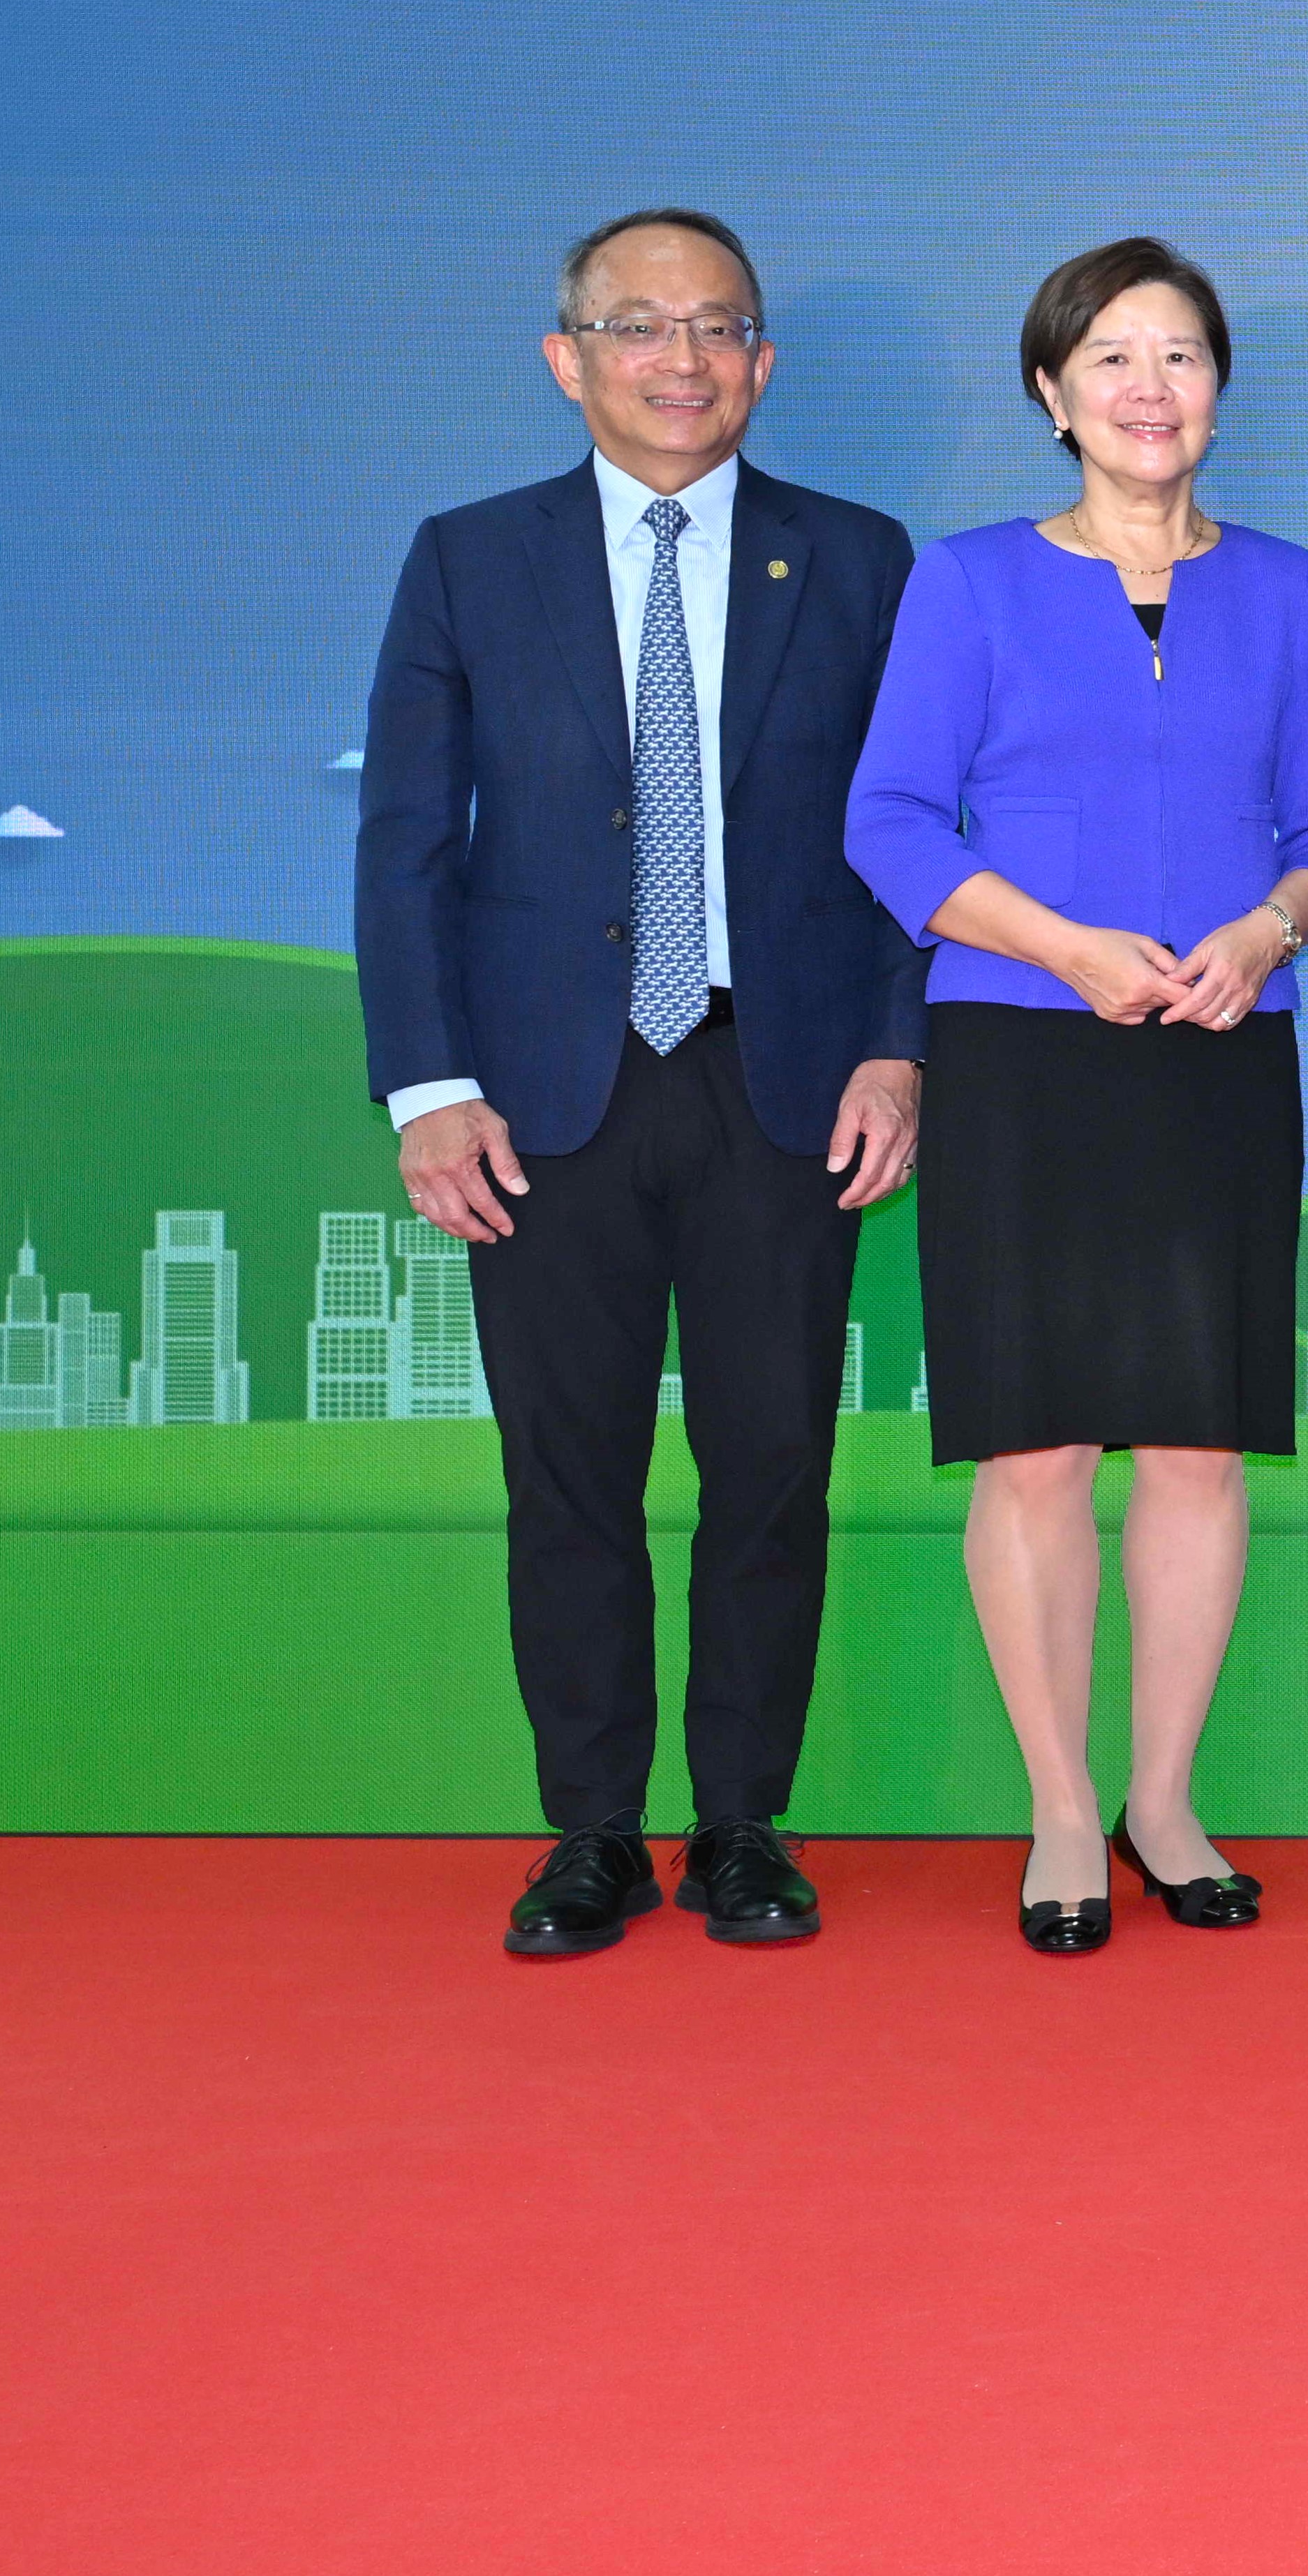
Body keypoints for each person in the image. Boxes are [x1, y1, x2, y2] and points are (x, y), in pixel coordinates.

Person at [357, 208, 926, 1958]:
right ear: (569, 358)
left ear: (762, 359)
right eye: (637, 326)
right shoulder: (468, 559)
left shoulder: (860, 556)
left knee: (774, 1470)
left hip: (786, 1080)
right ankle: (592, 1832)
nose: (680, 360)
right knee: (571, 1479)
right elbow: (404, 844)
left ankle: (746, 1827)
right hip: (540, 1096)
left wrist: (902, 1046)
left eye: (718, 327)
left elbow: (919, 832)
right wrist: (424, 1085)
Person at [845, 238, 1308, 1952]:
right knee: (1039, 1445)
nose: (1152, 391)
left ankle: (1163, 1796)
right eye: (1113, 360)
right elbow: (894, 824)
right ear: (1052, 395)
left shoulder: (1284, 587)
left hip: (1223, 1046)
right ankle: (1060, 1809)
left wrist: (1267, 929)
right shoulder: (970, 581)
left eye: (1183, 357)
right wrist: (1066, 948)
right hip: (1023, 1048)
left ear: (1220, 387)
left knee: (1198, 1446)